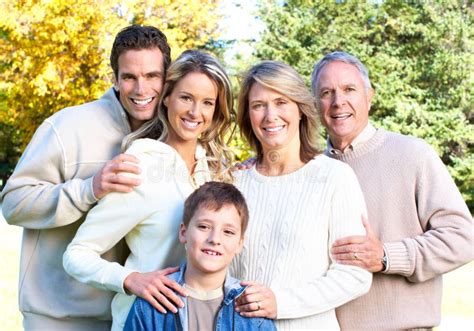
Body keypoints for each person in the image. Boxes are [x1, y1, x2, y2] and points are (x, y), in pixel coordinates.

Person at [0, 25, 171, 330]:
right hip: (59, 318)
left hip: (131, 315)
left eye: (152, 76)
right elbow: (14, 203)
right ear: (115, 79)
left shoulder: (169, 139)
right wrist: (89, 189)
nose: (141, 89)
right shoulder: (68, 126)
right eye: (130, 76)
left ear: (166, 78)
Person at [63, 50, 234, 331]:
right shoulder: (139, 166)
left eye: (207, 102)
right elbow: (77, 254)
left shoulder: (215, 173)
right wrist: (131, 279)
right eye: (186, 98)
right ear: (166, 98)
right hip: (142, 322)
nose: (195, 112)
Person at [311, 51, 474, 330]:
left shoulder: (412, 154)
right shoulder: (312, 170)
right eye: (327, 92)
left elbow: (463, 237)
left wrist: (387, 256)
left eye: (349, 89)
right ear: (315, 104)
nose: (338, 102)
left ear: (369, 96)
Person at [230, 61, 372, 330]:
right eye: (258, 105)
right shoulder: (234, 182)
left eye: (281, 101)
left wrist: (280, 303)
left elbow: (354, 276)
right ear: (248, 115)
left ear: (300, 109)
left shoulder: (334, 178)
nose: (270, 115)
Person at [124, 181, 276, 331]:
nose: (215, 239)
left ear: (239, 244)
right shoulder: (152, 303)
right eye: (204, 227)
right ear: (184, 232)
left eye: (228, 232)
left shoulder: (252, 308)